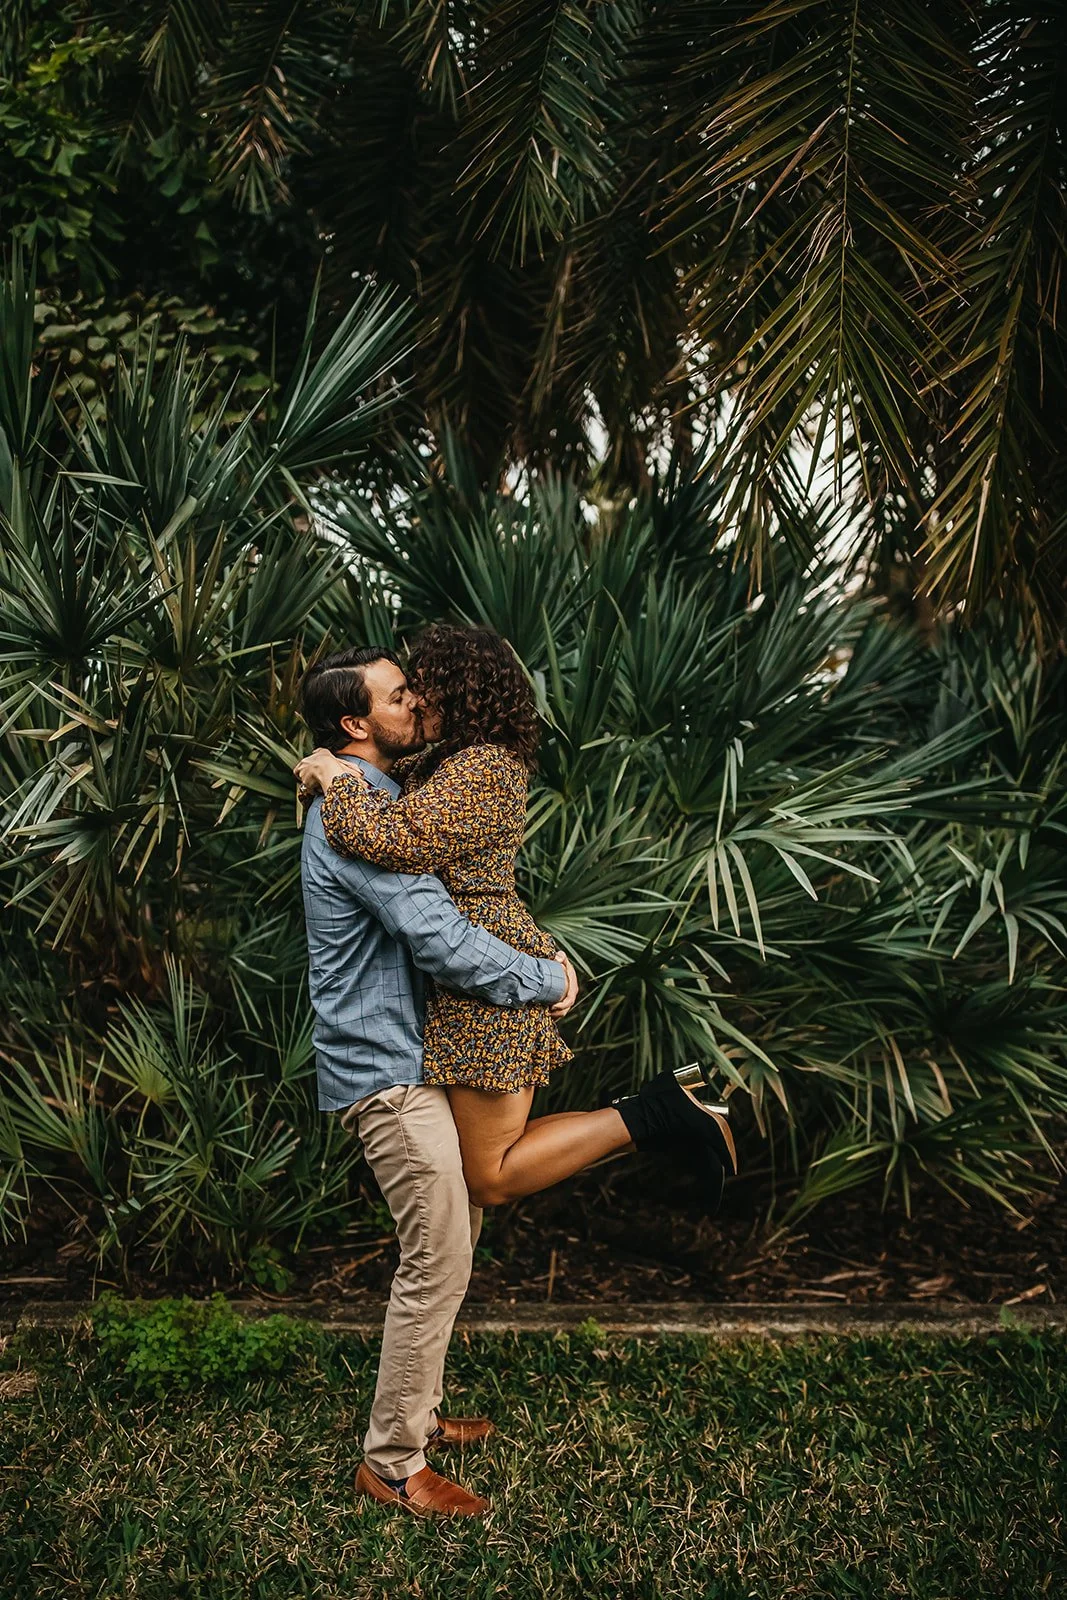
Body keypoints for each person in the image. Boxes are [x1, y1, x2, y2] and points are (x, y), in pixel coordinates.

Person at [295, 623, 737, 1218]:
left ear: (460, 690)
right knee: (485, 1167)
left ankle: (661, 1112)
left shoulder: (486, 767)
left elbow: (396, 837)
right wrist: (326, 763)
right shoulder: (442, 762)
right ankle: (660, 1107)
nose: (418, 698)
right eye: (405, 691)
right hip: (466, 972)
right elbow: (377, 786)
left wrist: (332, 777)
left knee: (492, 1178)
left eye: (424, 686)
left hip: (484, 962)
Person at [299, 644, 578, 1520]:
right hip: (384, 1071)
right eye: (398, 693)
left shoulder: (372, 796)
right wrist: (549, 980)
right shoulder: (358, 810)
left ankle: (413, 1418)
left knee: (447, 1247)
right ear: (355, 724)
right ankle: (391, 1465)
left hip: (402, 1060)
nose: (418, 700)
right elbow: (439, 940)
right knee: (439, 1256)